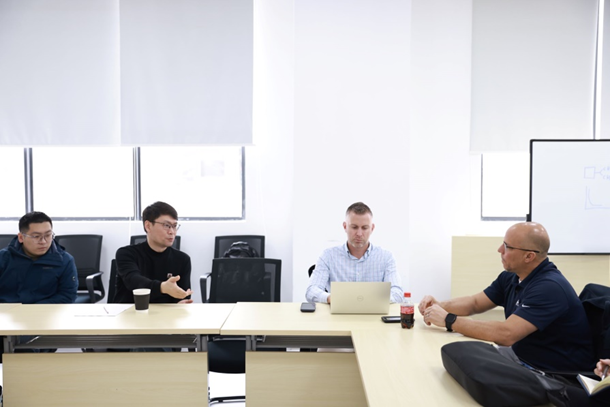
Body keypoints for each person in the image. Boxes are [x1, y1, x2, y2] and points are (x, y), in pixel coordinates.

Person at [419, 222, 594, 372]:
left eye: (507, 247)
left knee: (465, 361)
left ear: (529, 256)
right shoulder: (512, 276)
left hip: (551, 373)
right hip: (522, 357)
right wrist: (440, 305)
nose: (499, 250)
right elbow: (474, 303)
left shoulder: (549, 288)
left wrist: (449, 320)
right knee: (456, 353)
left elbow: (506, 334)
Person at [306, 202, 402, 304]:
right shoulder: (328, 256)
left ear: (372, 228)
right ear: (345, 226)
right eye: (354, 227)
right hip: (339, 312)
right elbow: (311, 291)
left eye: (365, 228)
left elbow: (398, 293)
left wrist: (373, 300)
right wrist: (330, 298)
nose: (359, 234)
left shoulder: (386, 257)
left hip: (374, 313)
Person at [115, 201, 192, 304]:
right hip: (131, 311)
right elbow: (134, 281)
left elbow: (182, 295)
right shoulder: (126, 254)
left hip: (166, 313)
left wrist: (181, 303)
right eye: (166, 225)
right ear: (148, 226)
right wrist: (162, 287)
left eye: (174, 226)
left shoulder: (182, 259)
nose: (172, 232)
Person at [0, 211, 77, 304]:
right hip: (7, 310)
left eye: (48, 235)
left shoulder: (65, 260)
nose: (43, 241)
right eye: (36, 236)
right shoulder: (3, 258)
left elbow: (67, 295)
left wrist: (34, 309)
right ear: (21, 237)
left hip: (46, 310)